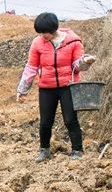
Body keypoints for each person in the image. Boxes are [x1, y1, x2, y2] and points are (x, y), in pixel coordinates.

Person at [17, 12, 96, 161]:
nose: (42, 36)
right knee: (46, 121)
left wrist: (86, 62)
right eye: (40, 33)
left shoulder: (74, 42)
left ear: (53, 29)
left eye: (44, 32)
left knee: (70, 119)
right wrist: (22, 89)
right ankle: (44, 150)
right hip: (47, 87)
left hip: (68, 86)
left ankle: (77, 150)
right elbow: (31, 67)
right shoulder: (37, 43)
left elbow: (77, 66)